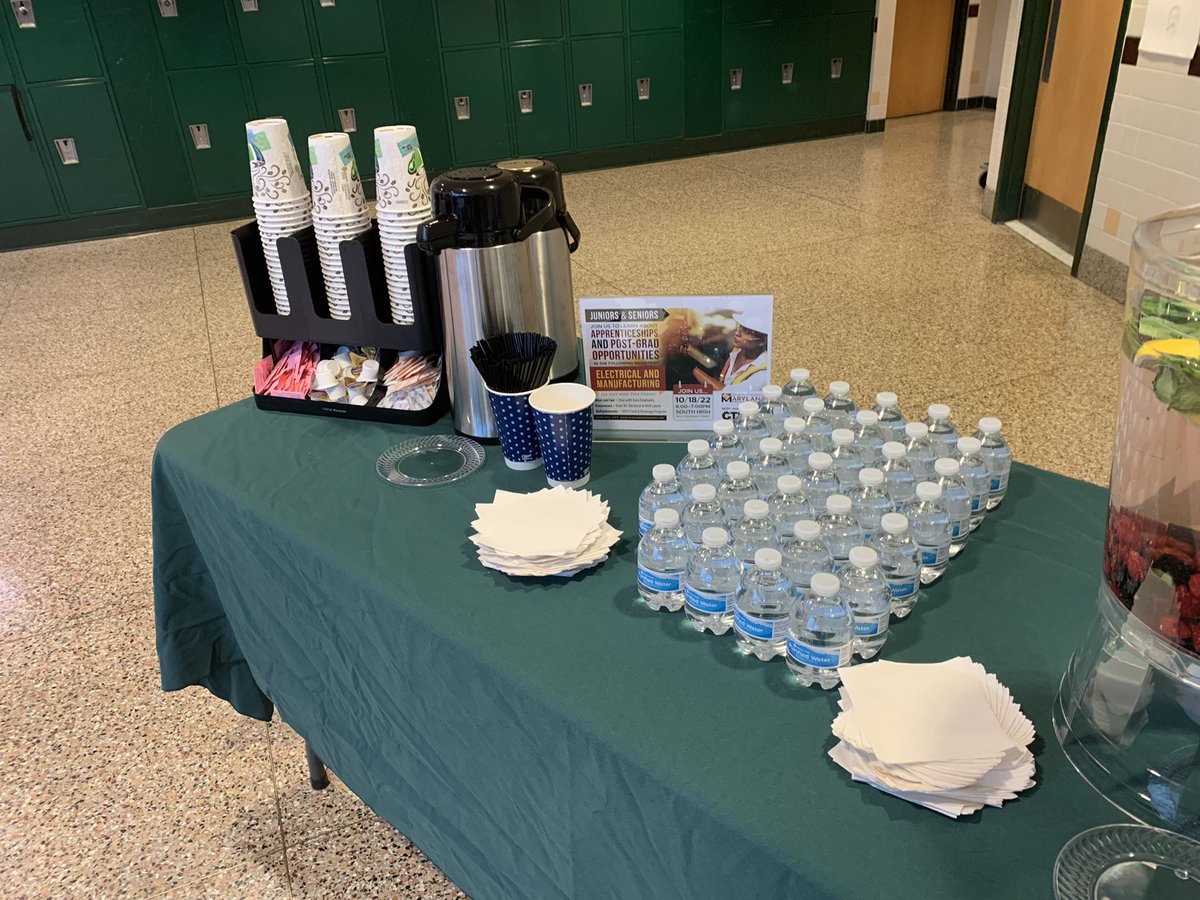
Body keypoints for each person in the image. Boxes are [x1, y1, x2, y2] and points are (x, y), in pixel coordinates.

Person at [692, 310, 770, 392]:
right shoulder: (735, 352)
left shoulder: (764, 372)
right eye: (740, 327)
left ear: (762, 341)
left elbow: (729, 395)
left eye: (748, 332)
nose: (737, 333)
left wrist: (693, 369)